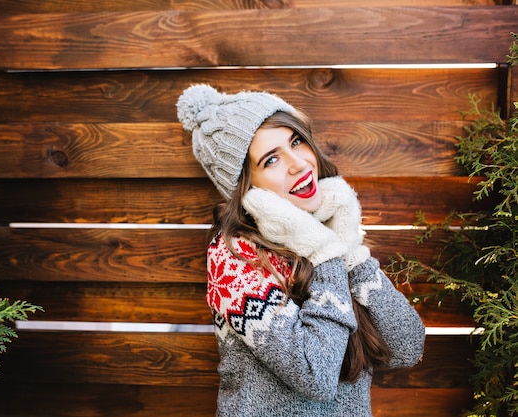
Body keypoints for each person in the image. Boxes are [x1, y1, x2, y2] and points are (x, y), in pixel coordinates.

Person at [176, 84, 425, 417]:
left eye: (296, 141)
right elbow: (315, 375)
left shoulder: (328, 230)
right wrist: (325, 253)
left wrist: (350, 254)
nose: (298, 164)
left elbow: (406, 348)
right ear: (247, 188)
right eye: (271, 159)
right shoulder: (233, 257)